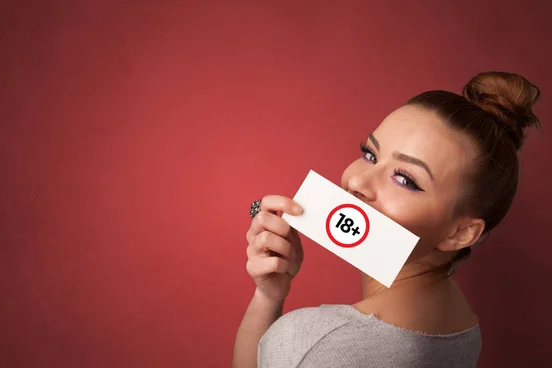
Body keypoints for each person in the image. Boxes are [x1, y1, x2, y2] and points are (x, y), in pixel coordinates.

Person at [232, 72, 542, 368]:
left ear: (461, 233)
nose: (357, 183)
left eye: (405, 179)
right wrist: (269, 295)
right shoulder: (462, 323)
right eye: (370, 154)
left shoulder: (319, 342)